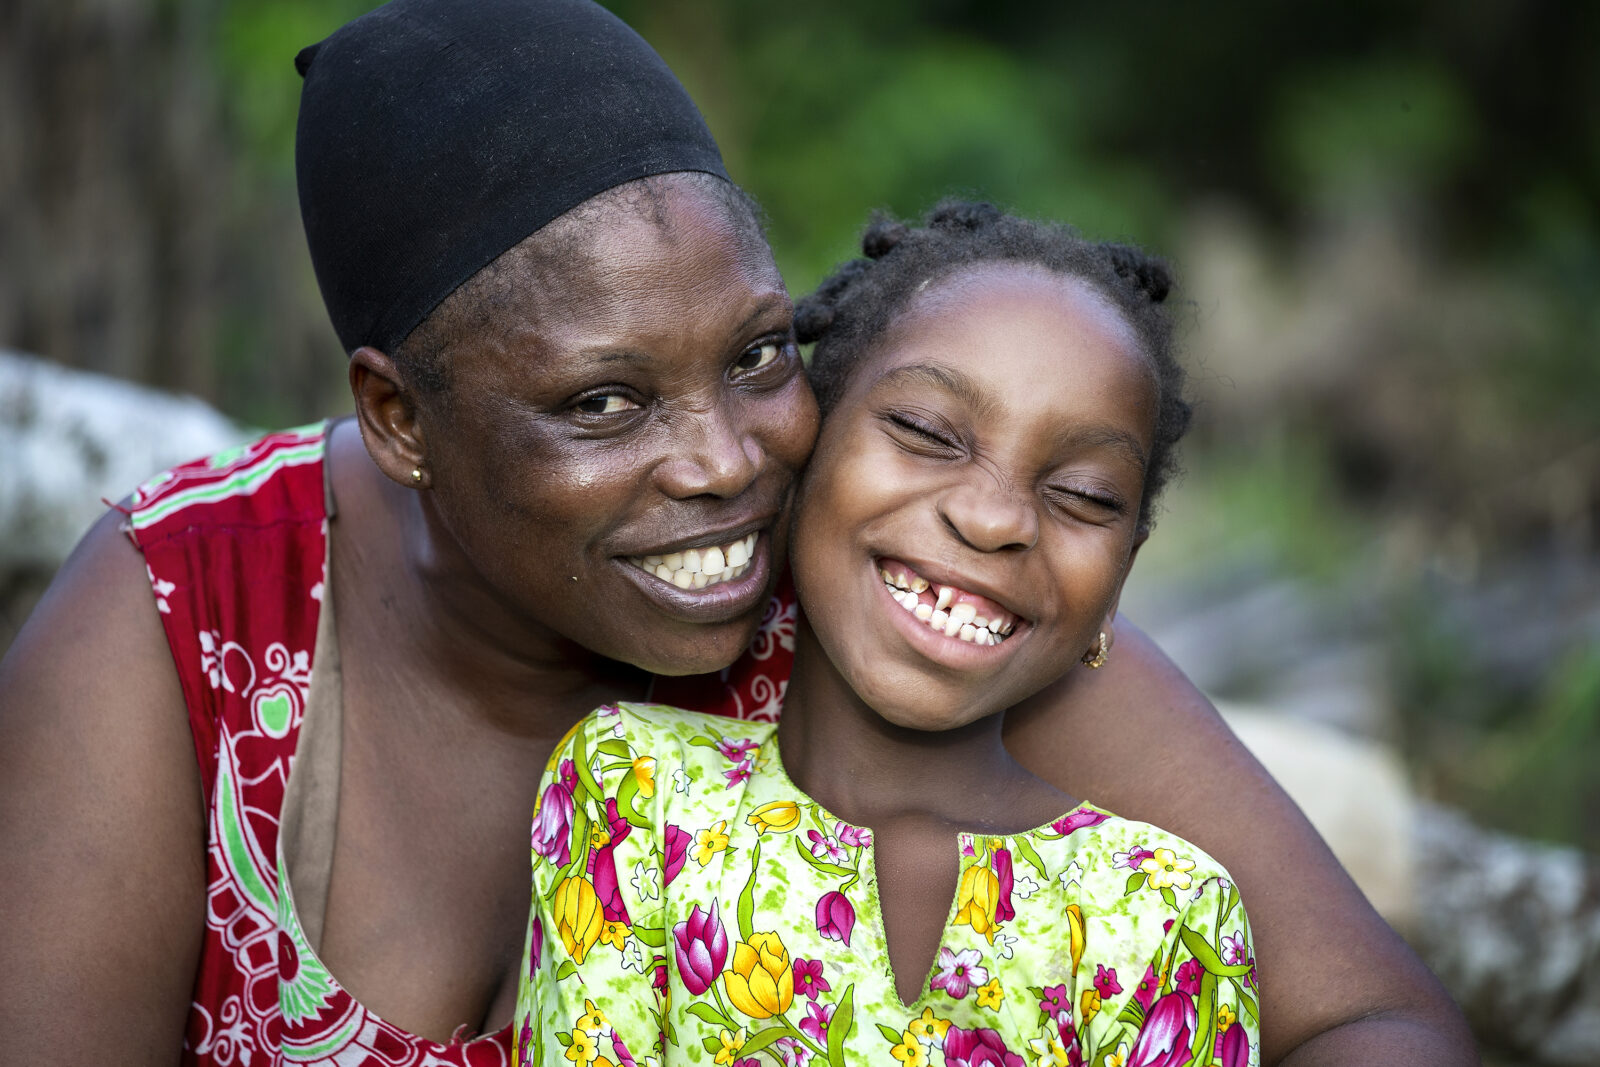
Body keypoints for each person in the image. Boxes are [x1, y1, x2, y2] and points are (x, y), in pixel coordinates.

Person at [0, 0, 1474, 1064]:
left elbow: (1378, 1015)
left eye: (759, 353)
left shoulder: (886, 601)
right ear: (397, 419)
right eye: (602, 402)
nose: (727, 460)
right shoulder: (185, 613)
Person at [517, 202, 1261, 1066]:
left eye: (1086, 495)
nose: (992, 519)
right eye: (924, 432)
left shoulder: (1166, 914)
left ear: (1121, 576)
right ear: (809, 443)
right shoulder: (633, 792)